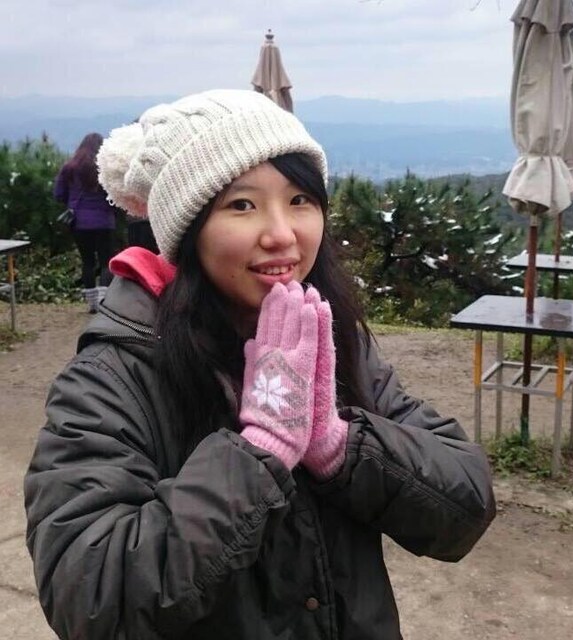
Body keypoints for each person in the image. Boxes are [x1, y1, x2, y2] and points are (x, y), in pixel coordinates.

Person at [24, 90, 496, 640]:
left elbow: (466, 505)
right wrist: (260, 452)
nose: (282, 234)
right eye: (242, 206)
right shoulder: (113, 376)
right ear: (188, 230)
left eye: (300, 199)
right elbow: (90, 597)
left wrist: (339, 446)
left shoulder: (327, 342)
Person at [53, 132, 117, 312]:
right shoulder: (106, 168)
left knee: (87, 262)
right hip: (104, 221)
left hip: (79, 222)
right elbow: (115, 193)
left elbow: (58, 194)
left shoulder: (69, 168)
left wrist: (72, 201)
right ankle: (104, 302)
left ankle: (92, 304)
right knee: (106, 262)